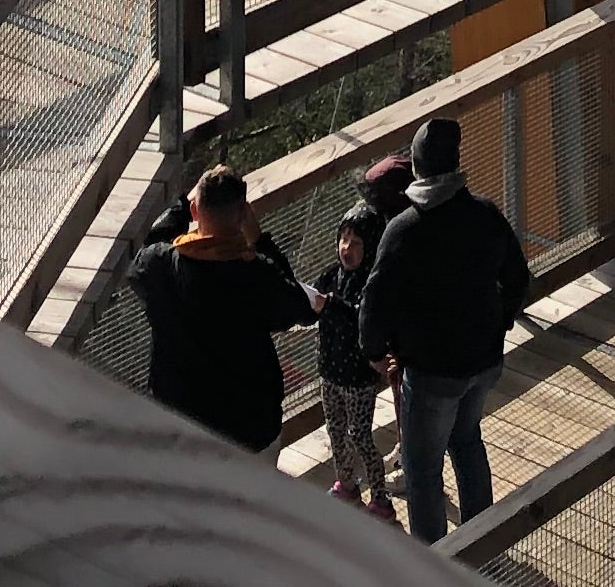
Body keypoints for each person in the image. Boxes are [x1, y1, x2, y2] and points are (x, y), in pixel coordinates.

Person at [359, 113, 531, 543]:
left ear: (415, 168)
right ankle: (483, 542)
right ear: (455, 164)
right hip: (485, 361)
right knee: (467, 442)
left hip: (432, 372)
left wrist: (375, 351)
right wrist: (500, 323)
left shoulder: (403, 230)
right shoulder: (485, 214)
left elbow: (375, 301)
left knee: (422, 469)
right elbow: (517, 277)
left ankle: (434, 563)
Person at [125, 165, 313, 454]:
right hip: (250, 430)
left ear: (195, 211)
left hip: (182, 429)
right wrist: (261, 241)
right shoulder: (257, 273)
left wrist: (180, 210)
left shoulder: (161, 266)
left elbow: (139, 254)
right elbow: (302, 309)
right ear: (242, 214)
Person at [311, 207, 399, 521]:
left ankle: (380, 497)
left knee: (360, 435)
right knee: (335, 431)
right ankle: (347, 484)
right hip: (330, 372)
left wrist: (327, 304)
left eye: (356, 243)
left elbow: (357, 318)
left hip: (358, 378)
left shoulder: (370, 285)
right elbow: (313, 303)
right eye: (343, 239)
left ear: (371, 248)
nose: (346, 248)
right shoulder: (331, 275)